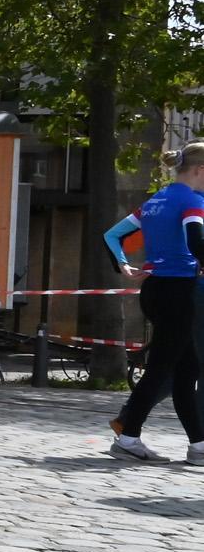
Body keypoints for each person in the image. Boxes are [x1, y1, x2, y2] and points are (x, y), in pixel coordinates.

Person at [103, 142, 204, 463]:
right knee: (162, 368)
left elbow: (112, 235)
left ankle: (199, 446)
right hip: (178, 291)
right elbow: (196, 240)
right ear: (200, 171)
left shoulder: (156, 201)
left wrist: (123, 264)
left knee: (186, 370)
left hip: (157, 290)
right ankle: (128, 436)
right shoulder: (192, 201)